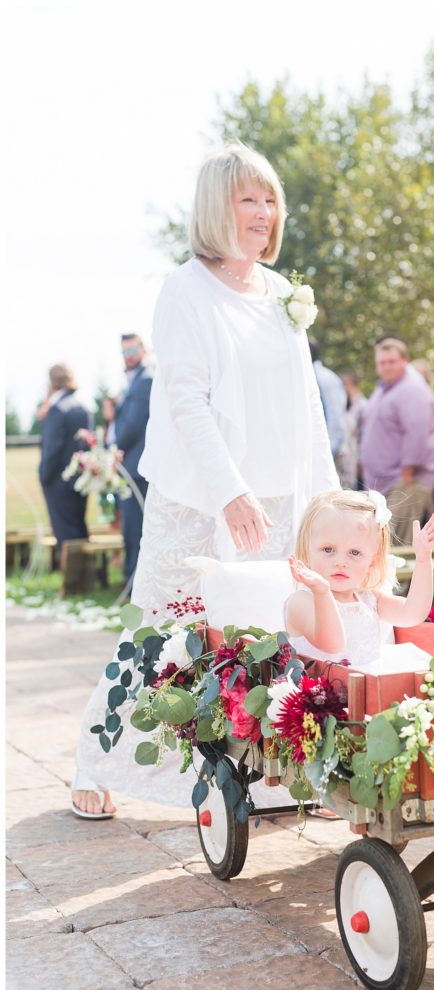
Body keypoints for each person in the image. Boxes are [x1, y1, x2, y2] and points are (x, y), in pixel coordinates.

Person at [71, 142, 340, 818]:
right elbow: (185, 399)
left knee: (265, 633)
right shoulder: (186, 289)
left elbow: (305, 401)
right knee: (163, 632)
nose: (263, 211)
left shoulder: (282, 294)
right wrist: (229, 488)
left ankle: (258, 772)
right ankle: (95, 762)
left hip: (278, 497)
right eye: (248, 199)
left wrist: (325, 496)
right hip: (203, 497)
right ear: (216, 208)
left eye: (270, 198)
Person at [285, 489, 434, 665]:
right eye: (328, 549)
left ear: (372, 561)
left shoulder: (369, 599)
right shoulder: (302, 601)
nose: (341, 562)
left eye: (355, 552)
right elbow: (331, 645)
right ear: (307, 552)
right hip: (324, 689)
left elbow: (412, 614)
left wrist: (422, 559)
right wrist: (322, 593)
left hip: (371, 686)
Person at [360, 337, 434, 545]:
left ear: (405, 360)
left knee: (395, 545)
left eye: (391, 361)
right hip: (383, 482)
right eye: (382, 363)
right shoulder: (383, 389)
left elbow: (418, 432)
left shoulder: (412, 389)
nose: (386, 367)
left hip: (405, 480)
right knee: (383, 545)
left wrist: (408, 471)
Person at [38, 364, 92, 557]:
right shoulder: (84, 408)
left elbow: (51, 450)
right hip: (81, 479)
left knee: (64, 531)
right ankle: (86, 575)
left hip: (58, 481)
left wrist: (44, 476)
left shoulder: (57, 409)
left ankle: (72, 581)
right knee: (79, 525)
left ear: (52, 382)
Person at [113, 333, 153, 585]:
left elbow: (132, 426)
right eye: (124, 353)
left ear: (143, 350)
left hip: (137, 469)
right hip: (130, 466)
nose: (128, 357)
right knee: (129, 528)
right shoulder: (134, 381)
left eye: (132, 351)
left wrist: (116, 447)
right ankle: (131, 579)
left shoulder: (145, 380)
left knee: (135, 529)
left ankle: (134, 582)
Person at [309, 339, 347, 460]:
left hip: (327, 456)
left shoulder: (325, 379)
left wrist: (325, 456)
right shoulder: (312, 376)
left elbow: (335, 420)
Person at [337, 370, 368, 489]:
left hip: (357, 464)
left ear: (348, 384)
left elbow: (365, 437)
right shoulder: (347, 405)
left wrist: (361, 462)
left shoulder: (362, 406)